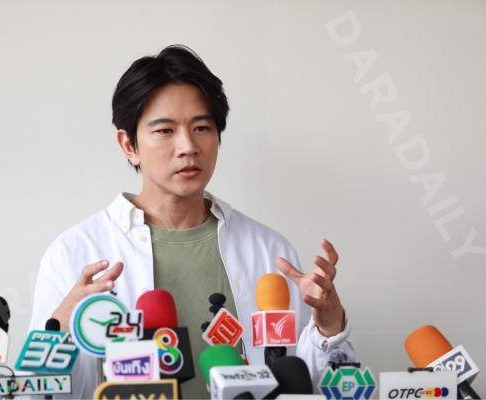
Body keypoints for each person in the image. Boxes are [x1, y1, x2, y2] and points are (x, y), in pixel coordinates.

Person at [28, 44, 355, 398]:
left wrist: (329, 324)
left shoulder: (270, 251)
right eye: (165, 131)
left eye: (201, 127)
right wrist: (59, 328)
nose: (188, 146)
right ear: (129, 145)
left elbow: (310, 387)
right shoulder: (75, 253)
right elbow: (37, 392)